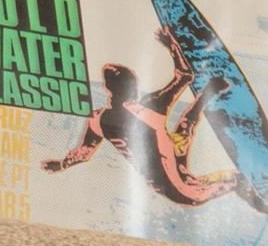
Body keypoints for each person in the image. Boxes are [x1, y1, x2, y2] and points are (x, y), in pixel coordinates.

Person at [42, 56, 236, 208]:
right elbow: (184, 76)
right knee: (218, 176)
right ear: (131, 88)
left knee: (184, 133)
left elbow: (84, 153)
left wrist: (61, 165)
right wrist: (172, 45)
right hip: (179, 186)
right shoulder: (150, 106)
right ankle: (207, 95)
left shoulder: (98, 119)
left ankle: (207, 95)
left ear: (107, 88)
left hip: (167, 171)